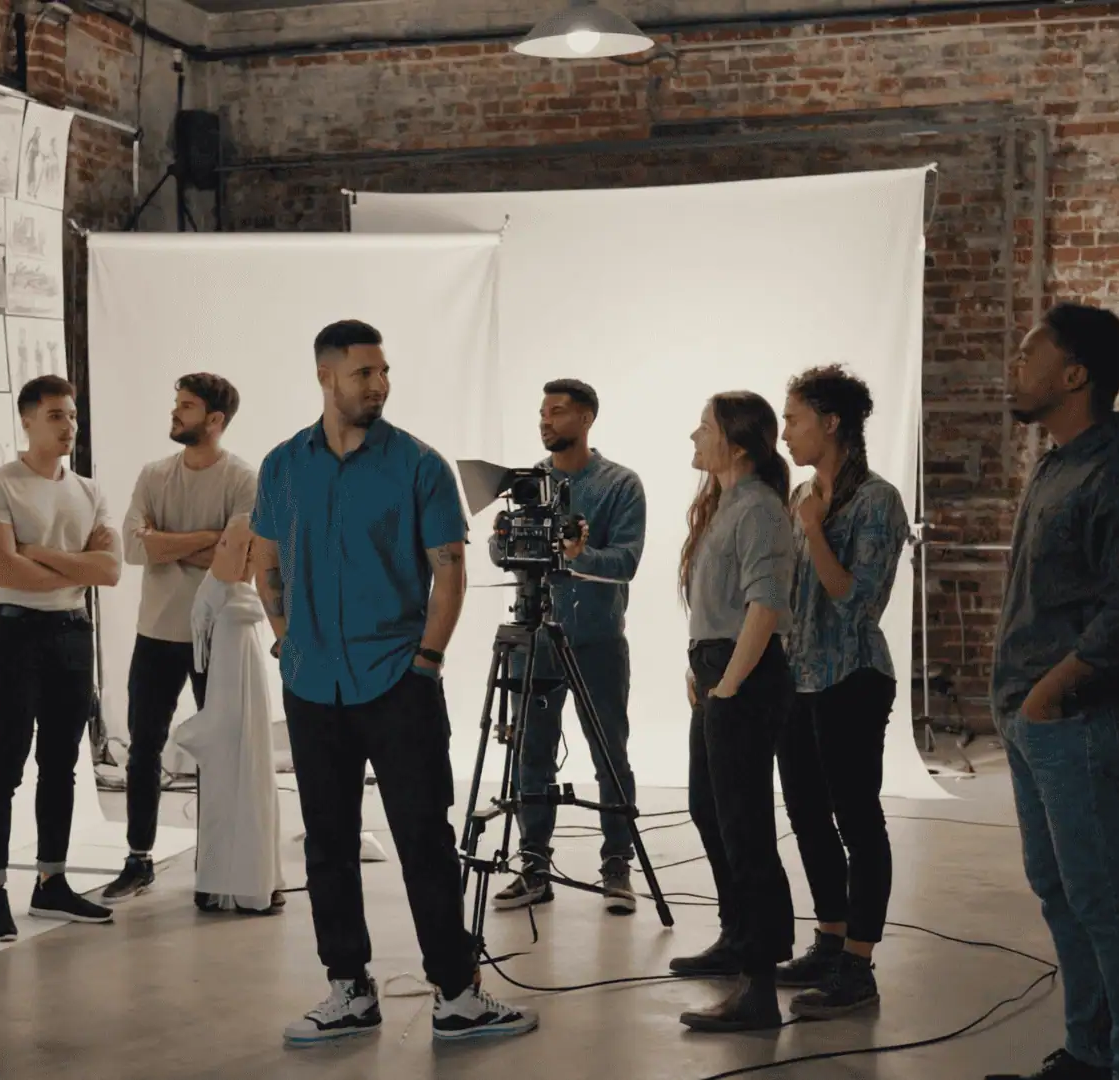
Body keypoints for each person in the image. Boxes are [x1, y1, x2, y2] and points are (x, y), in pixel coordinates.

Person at [255, 319, 536, 1047]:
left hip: (397, 682)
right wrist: (286, 639)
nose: (377, 385)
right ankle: (348, 989)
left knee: (423, 838)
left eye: (383, 372)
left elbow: (450, 569)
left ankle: (456, 994)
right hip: (312, 683)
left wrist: (428, 662)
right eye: (362, 374)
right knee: (328, 842)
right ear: (325, 377)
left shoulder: (418, 464)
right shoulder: (284, 464)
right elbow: (265, 561)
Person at [984, 305, 1119, 1080]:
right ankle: (1090, 1055)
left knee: (1105, 899)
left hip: (1078, 720)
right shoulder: (1060, 461)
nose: (1016, 363)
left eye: (1030, 352)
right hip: (1035, 720)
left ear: (1074, 375)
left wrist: (1050, 692)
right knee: (1061, 893)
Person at [773, 366, 910, 1019]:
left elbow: (854, 599)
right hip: (800, 679)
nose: (785, 432)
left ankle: (859, 964)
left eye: (794, 418)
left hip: (853, 677)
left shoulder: (877, 501)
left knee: (858, 818)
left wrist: (814, 530)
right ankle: (829, 941)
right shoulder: (805, 492)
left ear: (831, 423)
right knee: (804, 812)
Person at [0, 374, 121, 938]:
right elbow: (0, 569)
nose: (69, 427)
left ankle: (50, 883)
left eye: (73, 416)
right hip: (15, 636)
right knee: (6, 763)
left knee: (61, 763)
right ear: (28, 420)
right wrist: (67, 562)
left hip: (72, 634)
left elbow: (108, 570)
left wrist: (35, 551)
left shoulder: (88, 490)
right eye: (57, 416)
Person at [489, 379, 646, 916]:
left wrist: (580, 554)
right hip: (534, 636)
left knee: (610, 752)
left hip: (598, 639)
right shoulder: (526, 485)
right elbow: (500, 553)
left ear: (585, 419)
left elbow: (626, 562)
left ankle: (617, 866)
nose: (545, 421)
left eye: (556, 412)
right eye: (542, 413)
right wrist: (504, 536)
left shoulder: (621, 484)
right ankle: (533, 865)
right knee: (530, 750)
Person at [102, 374, 258, 904]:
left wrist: (165, 544)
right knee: (143, 748)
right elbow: (131, 548)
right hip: (157, 633)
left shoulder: (242, 479)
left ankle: (218, 870)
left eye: (186, 407)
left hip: (217, 635)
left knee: (222, 753)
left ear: (214, 421)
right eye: (176, 404)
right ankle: (138, 859)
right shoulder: (153, 476)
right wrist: (208, 540)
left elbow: (238, 560)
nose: (175, 413)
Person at [670, 390, 797, 1033]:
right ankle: (736, 934)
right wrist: (703, 671)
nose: (694, 437)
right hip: (720, 669)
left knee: (746, 827)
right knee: (709, 809)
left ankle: (760, 985)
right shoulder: (724, 504)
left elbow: (766, 608)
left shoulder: (760, 510)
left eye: (705, 428)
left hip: (744, 675)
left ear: (737, 443)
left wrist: (729, 685)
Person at [174, 514, 284, 914]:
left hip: (239, 681)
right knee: (234, 774)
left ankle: (239, 880)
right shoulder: (229, 602)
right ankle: (233, 880)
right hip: (232, 686)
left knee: (242, 773)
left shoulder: (234, 603)